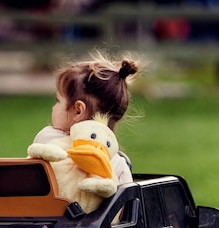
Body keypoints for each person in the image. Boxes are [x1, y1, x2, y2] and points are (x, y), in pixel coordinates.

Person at [32, 51, 140, 184]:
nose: (53, 108)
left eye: (58, 101)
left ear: (78, 110)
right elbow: (126, 203)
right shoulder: (118, 164)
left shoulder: (47, 139)